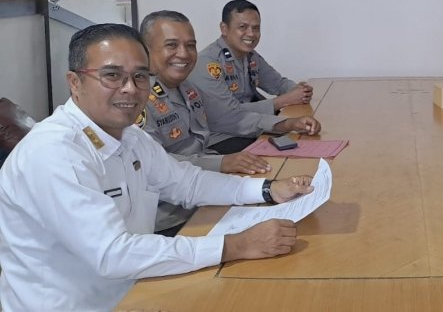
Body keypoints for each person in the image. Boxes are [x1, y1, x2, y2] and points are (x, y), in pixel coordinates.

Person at [0, 24, 316, 311]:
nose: (130, 88)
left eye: (140, 76)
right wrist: (236, 245)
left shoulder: (130, 136)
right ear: (75, 82)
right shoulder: (53, 153)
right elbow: (112, 254)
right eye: (112, 75)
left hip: (137, 288)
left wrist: (267, 189)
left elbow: (188, 183)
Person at [139, 10, 321, 235]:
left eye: (190, 45)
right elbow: (156, 166)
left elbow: (220, 125)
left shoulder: (188, 89)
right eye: (171, 45)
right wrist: (222, 163)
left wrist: (283, 125)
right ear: (145, 51)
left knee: (292, 209)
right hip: (173, 218)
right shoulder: (138, 101)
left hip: (206, 195)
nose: (184, 54)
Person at [189, 0, 316, 153]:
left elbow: (278, 83)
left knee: (305, 140)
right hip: (222, 137)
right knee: (287, 150)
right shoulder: (208, 63)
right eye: (243, 27)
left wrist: (299, 91)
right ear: (224, 29)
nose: (251, 34)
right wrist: (284, 101)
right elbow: (228, 115)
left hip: (253, 126)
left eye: (256, 28)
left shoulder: (249, 55)